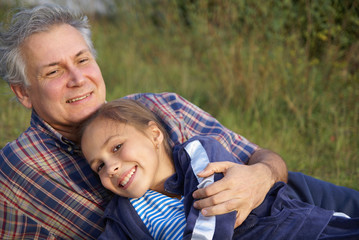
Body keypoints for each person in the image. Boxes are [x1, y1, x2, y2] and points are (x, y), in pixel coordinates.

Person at [0, 3, 358, 239]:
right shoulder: (18, 172)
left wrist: (259, 177)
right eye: (53, 71)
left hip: (294, 208)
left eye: (81, 60)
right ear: (23, 93)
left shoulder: (159, 105)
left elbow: (264, 159)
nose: (78, 79)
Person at [80, 98, 359, 240]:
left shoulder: (198, 155)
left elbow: (215, 212)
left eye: (116, 147)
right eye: (99, 165)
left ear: (154, 135)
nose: (111, 167)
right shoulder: (122, 214)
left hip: (295, 232)